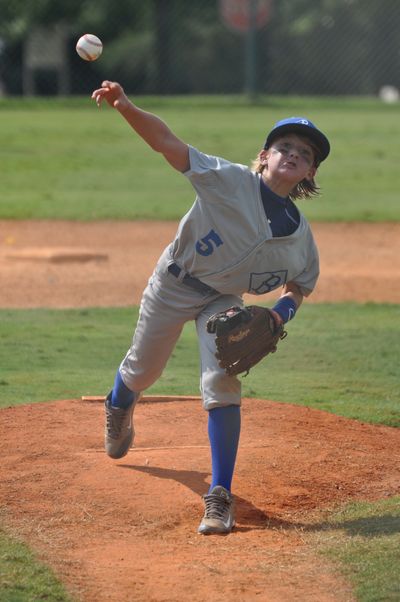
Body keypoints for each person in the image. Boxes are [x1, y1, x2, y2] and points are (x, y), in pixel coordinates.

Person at [91, 81, 330, 535]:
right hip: (174, 282)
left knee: (222, 380)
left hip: (222, 301)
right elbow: (168, 143)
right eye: (284, 146)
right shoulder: (228, 179)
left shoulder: (299, 238)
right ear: (265, 155)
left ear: (310, 173)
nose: (293, 154)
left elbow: (301, 286)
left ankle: (219, 496)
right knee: (143, 371)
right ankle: (119, 404)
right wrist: (125, 106)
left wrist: (281, 314)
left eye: (304, 153)